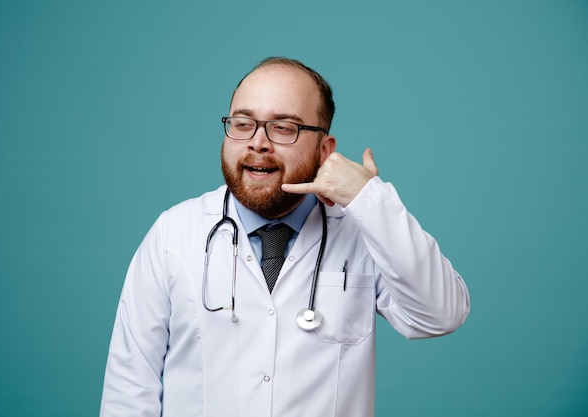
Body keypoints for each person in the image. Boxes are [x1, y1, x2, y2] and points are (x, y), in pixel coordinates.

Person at [100, 57, 470, 417]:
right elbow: (129, 388)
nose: (258, 142)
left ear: (325, 150)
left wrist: (368, 199)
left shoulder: (363, 232)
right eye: (243, 123)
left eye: (283, 127)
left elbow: (439, 315)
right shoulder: (174, 233)